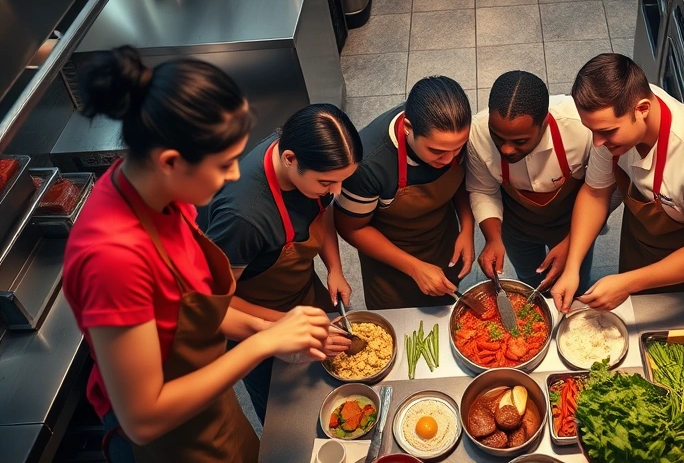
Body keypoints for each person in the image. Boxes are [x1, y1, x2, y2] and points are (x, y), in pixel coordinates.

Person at [62, 47, 331, 462]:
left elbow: (199, 309)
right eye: (224, 164)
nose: (236, 175)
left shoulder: (164, 196)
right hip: (167, 441)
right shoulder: (112, 260)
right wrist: (262, 346)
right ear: (170, 162)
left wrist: (273, 334)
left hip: (209, 405)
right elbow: (143, 418)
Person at [203, 103, 362, 424]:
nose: (337, 191)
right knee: (287, 415)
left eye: (342, 181)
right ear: (290, 159)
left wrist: (334, 268)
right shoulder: (243, 217)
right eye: (328, 183)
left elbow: (321, 211)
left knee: (325, 383)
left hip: (302, 295)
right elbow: (214, 305)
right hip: (253, 319)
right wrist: (283, 326)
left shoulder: (308, 166)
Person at [550, 53, 684, 316]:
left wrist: (628, 283)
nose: (596, 143)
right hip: (638, 246)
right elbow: (596, 192)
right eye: (591, 131)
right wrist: (573, 268)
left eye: (606, 132)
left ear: (642, 109)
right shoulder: (612, 124)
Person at [334, 76, 475, 309]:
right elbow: (351, 228)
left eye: (458, 148)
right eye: (437, 152)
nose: (450, 159)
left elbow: (460, 179)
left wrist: (467, 227)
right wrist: (414, 267)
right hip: (392, 264)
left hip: (442, 241)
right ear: (408, 128)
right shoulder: (367, 164)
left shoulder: (453, 136)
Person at [466, 71, 595, 291]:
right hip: (517, 225)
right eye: (497, 137)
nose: (506, 149)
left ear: (544, 122)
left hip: (571, 221)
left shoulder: (581, 128)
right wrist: (493, 238)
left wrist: (572, 242)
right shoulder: (477, 133)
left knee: (576, 279)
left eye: (520, 141)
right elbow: (483, 190)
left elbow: (599, 190)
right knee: (528, 278)